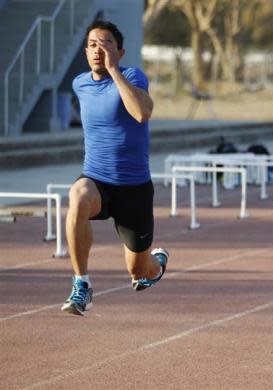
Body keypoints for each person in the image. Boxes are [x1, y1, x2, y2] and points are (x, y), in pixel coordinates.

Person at [61, 20, 169, 316]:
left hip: (134, 188)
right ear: (86, 52)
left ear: (120, 52)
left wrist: (113, 71)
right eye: (93, 44)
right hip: (97, 179)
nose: (99, 49)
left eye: (106, 43)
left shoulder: (132, 76)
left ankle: (157, 263)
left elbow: (142, 113)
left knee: (139, 272)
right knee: (78, 196)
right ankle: (81, 285)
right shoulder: (79, 84)